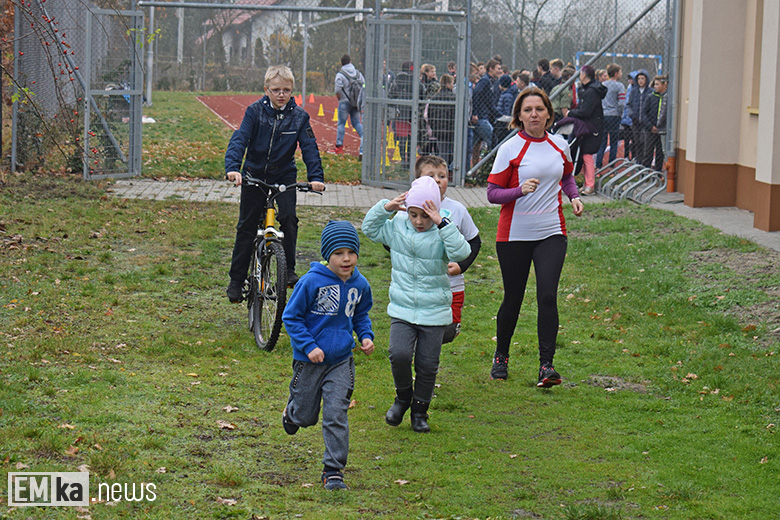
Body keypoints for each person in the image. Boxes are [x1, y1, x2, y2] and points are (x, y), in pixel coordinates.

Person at [486, 87, 583, 384]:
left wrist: (574, 196)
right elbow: (492, 194)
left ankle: (546, 366)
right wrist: (519, 190)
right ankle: (501, 355)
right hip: (514, 234)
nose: (534, 115)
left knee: (547, 296)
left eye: (539, 109)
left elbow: (566, 175)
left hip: (551, 231)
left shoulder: (559, 144)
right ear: (519, 116)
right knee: (513, 298)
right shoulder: (510, 149)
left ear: (549, 113)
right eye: (527, 110)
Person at [362, 176, 470, 432]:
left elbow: (462, 253)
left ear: (433, 211)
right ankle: (403, 397)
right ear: (406, 211)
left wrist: (441, 224)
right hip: (403, 307)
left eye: (424, 215)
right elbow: (369, 229)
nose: (419, 221)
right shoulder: (398, 225)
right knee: (398, 354)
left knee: (427, 364)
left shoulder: (444, 228)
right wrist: (385, 208)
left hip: (434, 311)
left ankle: (420, 411)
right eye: (413, 214)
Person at [281, 220, 374, 491]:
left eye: (351, 252)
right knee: (307, 417)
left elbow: (360, 314)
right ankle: (293, 411)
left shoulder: (360, 284)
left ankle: (333, 470)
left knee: (336, 413)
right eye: (338, 253)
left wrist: (365, 336)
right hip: (310, 361)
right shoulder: (311, 282)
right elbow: (291, 317)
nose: (346, 259)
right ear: (327, 255)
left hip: (341, 361)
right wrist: (309, 347)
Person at [225, 65, 326, 303]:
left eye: (286, 90)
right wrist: (233, 167)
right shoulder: (254, 112)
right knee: (247, 227)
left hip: (283, 176)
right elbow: (240, 138)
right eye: (276, 90)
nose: (281, 94)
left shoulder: (299, 117)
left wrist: (316, 177)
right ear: (266, 90)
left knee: (289, 218)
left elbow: (309, 147)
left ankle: (287, 268)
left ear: (292, 91)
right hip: (254, 174)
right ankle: (236, 280)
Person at [415, 155, 481, 343]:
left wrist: (462, 265)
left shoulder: (457, 209)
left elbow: (474, 242)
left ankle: (425, 355)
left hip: (451, 287)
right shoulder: (408, 208)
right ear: (417, 181)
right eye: (430, 176)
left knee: (446, 332)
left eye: (442, 176)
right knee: (421, 332)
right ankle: (422, 364)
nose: (437, 180)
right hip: (420, 286)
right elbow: (392, 242)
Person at [567, 65, 606, 195]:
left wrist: (571, 113)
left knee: (587, 155)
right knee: (583, 154)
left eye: (581, 73)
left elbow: (586, 111)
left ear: (585, 75)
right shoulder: (585, 89)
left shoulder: (592, 91)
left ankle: (590, 184)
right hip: (586, 127)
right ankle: (586, 183)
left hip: (592, 127)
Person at [332, 55, 365, 157]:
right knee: (356, 123)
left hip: (344, 102)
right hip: (356, 103)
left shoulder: (340, 75)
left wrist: (340, 98)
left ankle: (339, 147)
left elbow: (337, 89)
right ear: (350, 61)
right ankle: (364, 137)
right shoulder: (358, 74)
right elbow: (364, 85)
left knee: (341, 123)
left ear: (341, 64)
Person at [471, 58, 502, 164]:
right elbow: (476, 93)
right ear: (491, 69)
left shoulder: (493, 82)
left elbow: (490, 103)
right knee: (493, 142)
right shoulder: (485, 80)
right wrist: (475, 113)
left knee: (472, 146)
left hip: (485, 116)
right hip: (481, 117)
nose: (499, 71)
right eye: (497, 68)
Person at [595, 63, 626, 168]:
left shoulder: (602, 85)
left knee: (602, 141)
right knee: (613, 142)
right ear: (616, 73)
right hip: (614, 115)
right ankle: (611, 165)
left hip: (603, 115)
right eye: (620, 72)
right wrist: (620, 114)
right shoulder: (620, 86)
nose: (621, 74)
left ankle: (598, 164)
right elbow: (621, 103)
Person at [389, 61, 414, 169]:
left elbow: (391, 95)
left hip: (401, 113)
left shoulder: (396, 80)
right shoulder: (416, 81)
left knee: (402, 138)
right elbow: (422, 93)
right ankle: (410, 160)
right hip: (413, 114)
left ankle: (403, 160)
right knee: (411, 138)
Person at [427, 74, 456, 167]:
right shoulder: (454, 97)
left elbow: (430, 114)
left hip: (439, 130)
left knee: (443, 153)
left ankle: (443, 171)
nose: (453, 85)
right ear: (448, 84)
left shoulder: (435, 97)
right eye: (452, 83)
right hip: (452, 130)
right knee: (455, 151)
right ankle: (453, 170)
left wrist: (434, 127)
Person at [641, 75, 668, 169]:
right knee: (648, 152)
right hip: (650, 130)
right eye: (654, 84)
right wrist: (650, 126)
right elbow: (643, 114)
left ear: (665, 85)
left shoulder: (667, 98)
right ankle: (644, 175)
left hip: (662, 130)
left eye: (657, 84)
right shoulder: (650, 97)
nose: (655, 86)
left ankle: (658, 175)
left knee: (660, 154)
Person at [627, 69, 651, 166]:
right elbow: (629, 105)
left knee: (645, 143)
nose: (641, 81)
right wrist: (631, 114)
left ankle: (645, 164)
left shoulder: (650, 91)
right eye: (639, 79)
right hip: (636, 122)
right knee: (637, 142)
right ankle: (638, 161)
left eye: (643, 78)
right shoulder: (633, 91)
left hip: (646, 123)